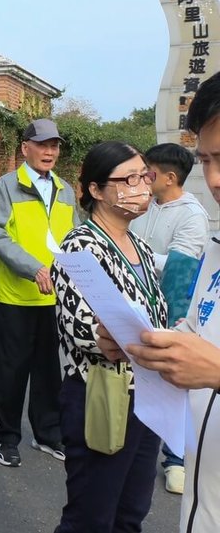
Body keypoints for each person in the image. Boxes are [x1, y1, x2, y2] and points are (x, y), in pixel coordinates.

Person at [119, 71, 220, 533]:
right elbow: (195, 332)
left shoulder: (193, 221)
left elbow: (176, 280)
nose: (214, 179)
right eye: (206, 160)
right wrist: (138, 338)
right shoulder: (217, 247)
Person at [51, 141, 165, 533]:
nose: (141, 187)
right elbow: (77, 322)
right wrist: (108, 337)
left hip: (148, 391)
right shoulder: (81, 245)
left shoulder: (143, 248)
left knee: (131, 510)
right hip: (101, 391)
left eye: (144, 176)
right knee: (91, 515)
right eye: (128, 179)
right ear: (96, 191)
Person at [0, 119, 78, 468]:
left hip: (54, 299)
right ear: (25, 147)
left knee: (47, 370)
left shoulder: (65, 189)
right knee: (11, 371)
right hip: (15, 298)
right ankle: (7, 436)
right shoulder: (6, 186)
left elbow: (72, 237)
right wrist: (34, 268)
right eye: (42, 144)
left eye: (54, 145)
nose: (50, 151)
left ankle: (48, 432)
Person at [129, 142, 208, 495]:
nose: (144, 178)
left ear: (169, 177)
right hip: (136, 307)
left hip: (173, 314)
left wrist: (136, 255)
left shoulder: (192, 215)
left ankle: (176, 459)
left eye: (149, 173)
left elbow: (180, 268)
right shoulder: (147, 207)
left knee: (176, 386)